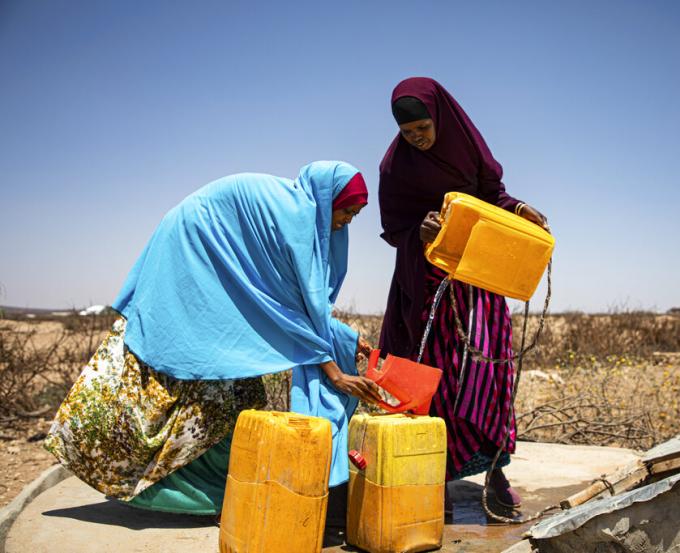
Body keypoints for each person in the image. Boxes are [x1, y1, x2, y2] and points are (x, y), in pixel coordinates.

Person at [45, 161, 382, 516]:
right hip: (193, 256)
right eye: (345, 211)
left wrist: (343, 338)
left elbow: (298, 306)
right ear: (326, 201)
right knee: (182, 377)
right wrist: (334, 372)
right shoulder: (294, 222)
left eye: (355, 215)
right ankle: (148, 477)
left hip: (209, 257)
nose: (346, 222)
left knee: (232, 390)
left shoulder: (299, 213)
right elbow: (288, 312)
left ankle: (219, 486)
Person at [378, 78, 548, 513]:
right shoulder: (394, 169)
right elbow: (395, 228)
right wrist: (420, 230)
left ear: (440, 118)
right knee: (436, 380)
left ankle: (496, 471)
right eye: (408, 132)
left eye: (423, 128)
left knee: (488, 379)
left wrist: (521, 210)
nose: (417, 138)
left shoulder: (468, 147)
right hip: (429, 286)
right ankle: (437, 480)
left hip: (479, 283)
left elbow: (494, 197)